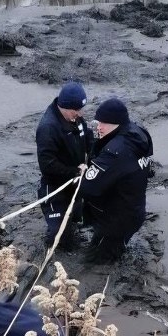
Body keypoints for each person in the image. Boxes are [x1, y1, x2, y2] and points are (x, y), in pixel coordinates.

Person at [79, 98, 153, 263]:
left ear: (115, 123)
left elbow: (88, 187)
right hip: (134, 209)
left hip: (114, 221)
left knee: (96, 262)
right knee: (114, 248)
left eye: (103, 123)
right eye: (98, 122)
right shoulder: (139, 133)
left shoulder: (115, 152)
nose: (98, 127)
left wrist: (84, 173)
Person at [36, 82, 93, 249]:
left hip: (75, 183)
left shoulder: (75, 117)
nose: (81, 114)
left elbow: (87, 138)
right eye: (77, 110)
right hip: (55, 188)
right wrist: (75, 171)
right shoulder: (48, 128)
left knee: (78, 219)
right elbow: (47, 165)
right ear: (65, 107)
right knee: (58, 237)